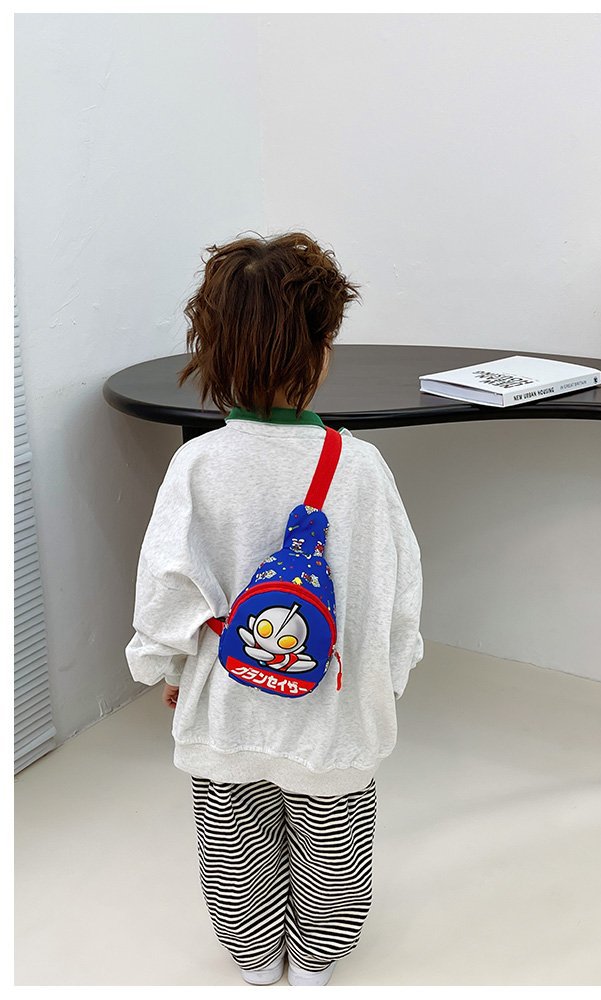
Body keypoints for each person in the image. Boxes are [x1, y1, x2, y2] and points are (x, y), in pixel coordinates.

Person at [125, 232, 424, 987]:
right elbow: (397, 593)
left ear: (212, 352)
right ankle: (318, 960)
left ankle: (255, 960)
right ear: (320, 352)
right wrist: (386, 680)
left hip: (229, 704)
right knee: (335, 846)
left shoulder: (196, 464)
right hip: (332, 708)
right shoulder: (361, 467)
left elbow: (167, 589)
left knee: (234, 848)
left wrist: (167, 669)